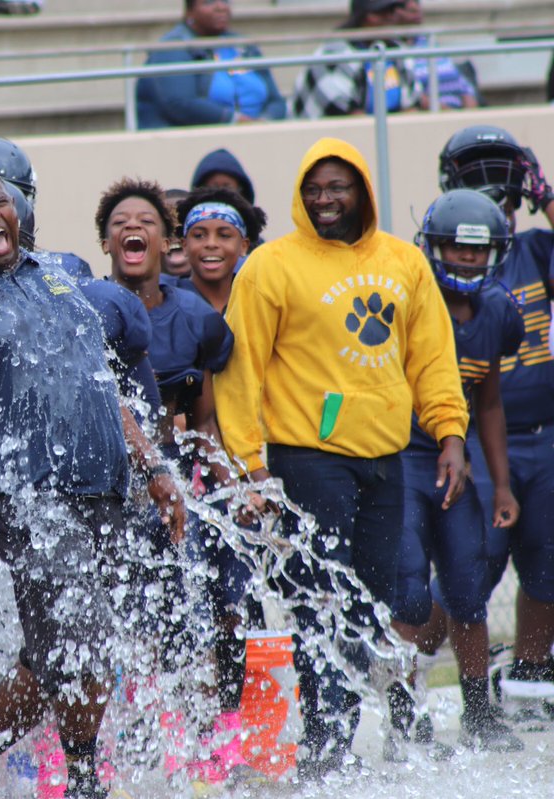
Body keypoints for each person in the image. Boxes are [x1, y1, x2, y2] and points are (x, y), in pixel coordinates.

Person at [0, 167, 180, 799]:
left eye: (1, 201)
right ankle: (85, 783)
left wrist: (155, 467)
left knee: (49, 649)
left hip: (102, 490)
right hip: (21, 498)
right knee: (83, 632)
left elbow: (103, 385)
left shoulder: (62, 277)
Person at [214, 137, 469, 777]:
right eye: (314, 189)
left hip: (385, 458)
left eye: (338, 187)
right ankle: (328, 748)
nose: (325, 199)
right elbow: (240, 369)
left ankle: (352, 730)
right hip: (308, 457)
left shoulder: (403, 261)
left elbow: (433, 357)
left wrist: (450, 434)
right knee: (317, 599)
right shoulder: (272, 266)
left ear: (362, 191)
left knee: (380, 599)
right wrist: (248, 464)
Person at [97, 178, 253, 786]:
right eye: (118, 222)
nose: (132, 228)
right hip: (108, 488)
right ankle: (118, 741)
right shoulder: (85, 307)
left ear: (166, 241)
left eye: (146, 221)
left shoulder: (196, 318)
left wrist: (226, 479)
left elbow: (207, 415)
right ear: (107, 241)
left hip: (180, 486)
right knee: (118, 620)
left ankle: (217, 738)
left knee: (212, 610)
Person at [388, 189, 523, 754]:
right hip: (402, 458)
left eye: (477, 251)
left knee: (467, 588)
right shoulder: (409, 301)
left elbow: (488, 403)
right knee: (410, 591)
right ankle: (403, 716)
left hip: (455, 461)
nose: (467, 260)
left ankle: (478, 712)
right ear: (433, 247)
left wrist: (503, 484)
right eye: (456, 249)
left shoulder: (497, 312)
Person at [435, 125, 554, 708]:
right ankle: (412, 654)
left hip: (545, 432)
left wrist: (546, 195)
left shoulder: (533, 249)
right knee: (470, 566)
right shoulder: (442, 262)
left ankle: (529, 677)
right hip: (479, 440)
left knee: (548, 560)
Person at [136, 0, 286, 128]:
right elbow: (180, 104)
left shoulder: (244, 45)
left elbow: (276, 100)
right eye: (209, 1)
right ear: (190, 11)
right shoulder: (171, 48)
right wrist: (234, 120)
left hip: (258, 134)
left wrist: (266, 120)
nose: (221, 7)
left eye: (225, 0)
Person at [290, 0, 422, 119]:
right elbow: (345, 115)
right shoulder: (334, 53)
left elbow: (411, 103)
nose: (389, 17)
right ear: (362, 17)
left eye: (392, 11)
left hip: (383, 134)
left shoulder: (396, 51)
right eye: (381, 12)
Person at [173, 186, 267, 312]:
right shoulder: (167, 301)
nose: (211, 244)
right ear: (185, 245)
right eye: (199, 235)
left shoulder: (260, 301)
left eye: (224, 235)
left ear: (243, 246)